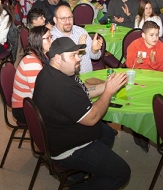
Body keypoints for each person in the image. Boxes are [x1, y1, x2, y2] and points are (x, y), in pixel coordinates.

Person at [33, 37, 131, 190]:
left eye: (78, 54)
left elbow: (85, 91)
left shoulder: (50, 72)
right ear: (58, 59)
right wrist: (108, 93)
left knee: (108, 134)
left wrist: (107, 86)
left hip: (60, 134)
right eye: (73, 55)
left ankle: (78, 174)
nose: (79, 58)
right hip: (68, 149)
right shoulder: (61, 88)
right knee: (122, 173)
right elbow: (92, 118)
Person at [12, 26, 52, 123]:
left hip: (31, 102)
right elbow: (39, 95)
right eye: (48, 38)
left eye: (51, 37)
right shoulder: (32, 63)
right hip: (24, 108)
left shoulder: (41, 55)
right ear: (38, 41)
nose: (52, 40)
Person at [51, 5, 102, 74]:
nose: (68, 21)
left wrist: (94, 50)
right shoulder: (52, 38)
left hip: (88, 76)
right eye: (63, 18)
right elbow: (63, 67)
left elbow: (95, 57)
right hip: (70, 81)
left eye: (70, 17)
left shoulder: (81, 31)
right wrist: (79, 51)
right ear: (55, 20)